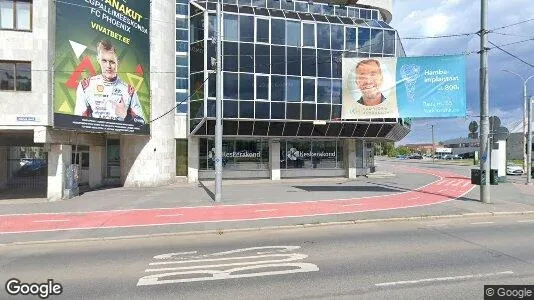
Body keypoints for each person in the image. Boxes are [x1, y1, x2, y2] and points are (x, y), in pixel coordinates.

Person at [74, 40, 145, 124]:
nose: (108, 66)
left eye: (112, 62)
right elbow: (78, 121)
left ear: (117, 63)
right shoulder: (85, 85)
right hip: (93, 135)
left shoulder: (129, 90)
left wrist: (125, 115)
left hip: (120, 135)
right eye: (104, 61)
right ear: (98, 60)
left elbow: (141, 122)